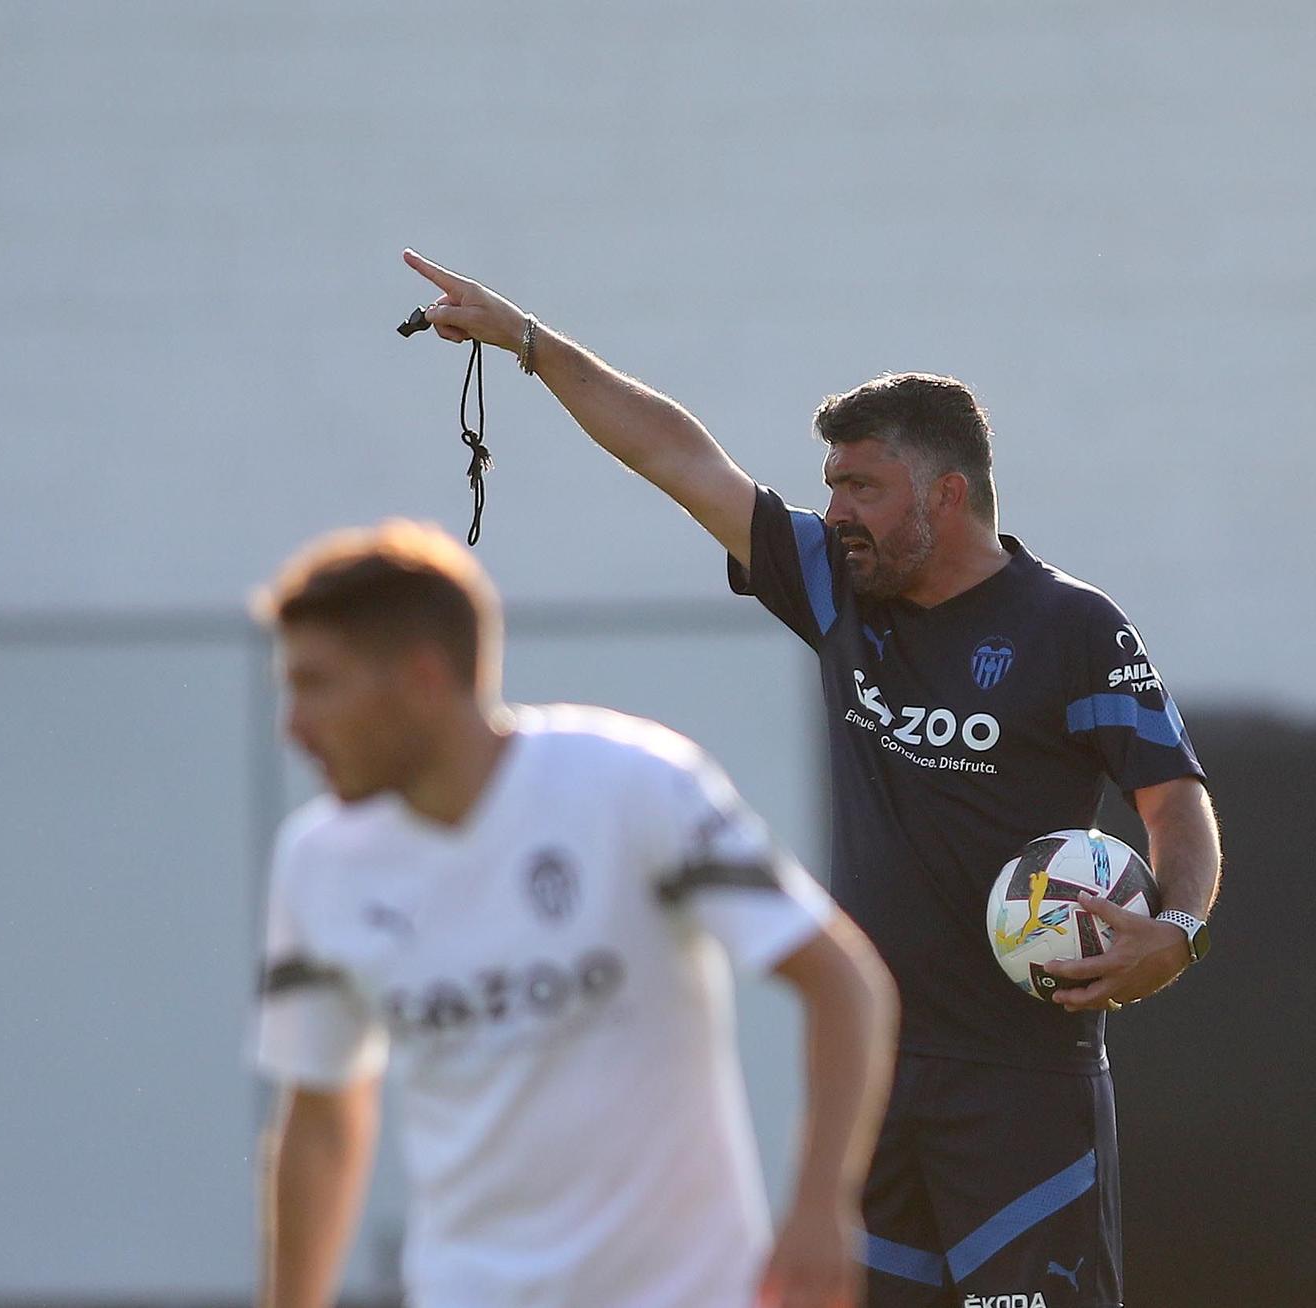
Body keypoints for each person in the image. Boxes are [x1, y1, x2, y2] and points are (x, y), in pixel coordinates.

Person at [398, 250, 1223, 1308]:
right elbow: (675, 456)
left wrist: (1179, 930)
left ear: (946, 493)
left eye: (859, 485)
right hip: (873, 1080)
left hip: (1020, 1089)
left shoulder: (1071, 628)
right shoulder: (838, 589)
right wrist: (528, 342)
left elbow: (1173, 799)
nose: (832, 509)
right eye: (830, 483)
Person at [250, 520, 897, 1308]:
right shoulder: (318, 859)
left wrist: (822, 1205)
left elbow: (840, 981)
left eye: (317, 684)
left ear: (420, 677)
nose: (293, 726)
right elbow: (321, 1113)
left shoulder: (628, 783)